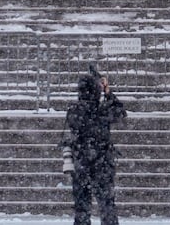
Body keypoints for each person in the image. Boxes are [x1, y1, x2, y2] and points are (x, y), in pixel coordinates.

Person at [60, 66, 126, 225]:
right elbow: (120, 112)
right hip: (102, 163)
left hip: (81, 162)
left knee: (82, 207)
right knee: (107, 206)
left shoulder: (74, 111)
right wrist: (108, 92)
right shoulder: (102, 111)